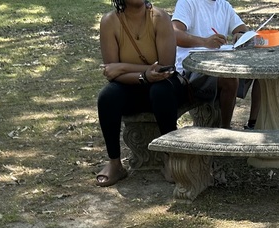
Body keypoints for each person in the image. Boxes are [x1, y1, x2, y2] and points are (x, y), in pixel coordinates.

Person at [96, 0, 188, 185]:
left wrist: (123, 67)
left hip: (165, 84)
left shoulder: (160, 18)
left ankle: (170, 157)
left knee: (160, 92)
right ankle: (115, 163)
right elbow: (112, 74)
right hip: (132, 84)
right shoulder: (109, 22)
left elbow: (165, 67)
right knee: (107, 97)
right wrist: (143, 76)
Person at [171, 0, 260, 129]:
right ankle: (225, 129)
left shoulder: (223, 5)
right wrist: (204, 42)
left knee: (262, 71)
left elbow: (242, 29)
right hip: (191, 70)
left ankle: (254, 124)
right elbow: (174, 34)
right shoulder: (187, 2)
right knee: (229, 78)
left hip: (219, 63)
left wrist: (240, 34)